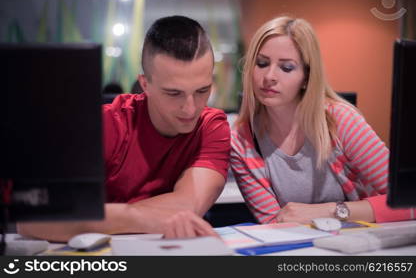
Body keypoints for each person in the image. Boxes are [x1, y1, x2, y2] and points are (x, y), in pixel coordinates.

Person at [18, 15, 231, 241]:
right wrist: (137, 217)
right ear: (145, 84)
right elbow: (34, 220)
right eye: (173, 93)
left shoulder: (211, 126)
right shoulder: (105, 125)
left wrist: (101, 217)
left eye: (201, 91)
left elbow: (187, 206)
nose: (190, 109)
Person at [230, 16, 415, 225]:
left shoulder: (340, 121)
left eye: (287, 67)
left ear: (307, 77)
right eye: (262, 63)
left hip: (364, 244)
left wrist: (329, 211)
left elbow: (410, 200)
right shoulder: (240, 141)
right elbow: (276, 226)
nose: (269, 76)